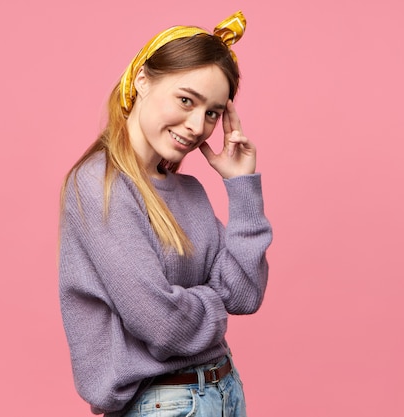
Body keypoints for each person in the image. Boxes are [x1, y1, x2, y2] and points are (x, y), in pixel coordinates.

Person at [58, 11, 272, 417]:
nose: (196, 126)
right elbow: (163, 324)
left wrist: (242, 188)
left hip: (226, 390)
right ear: (142, 80)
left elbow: (244, 294)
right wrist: (215, 300)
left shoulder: (189, 191)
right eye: (186, 100)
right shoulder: (99, 185)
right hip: (163, 403)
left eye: (212, 112)